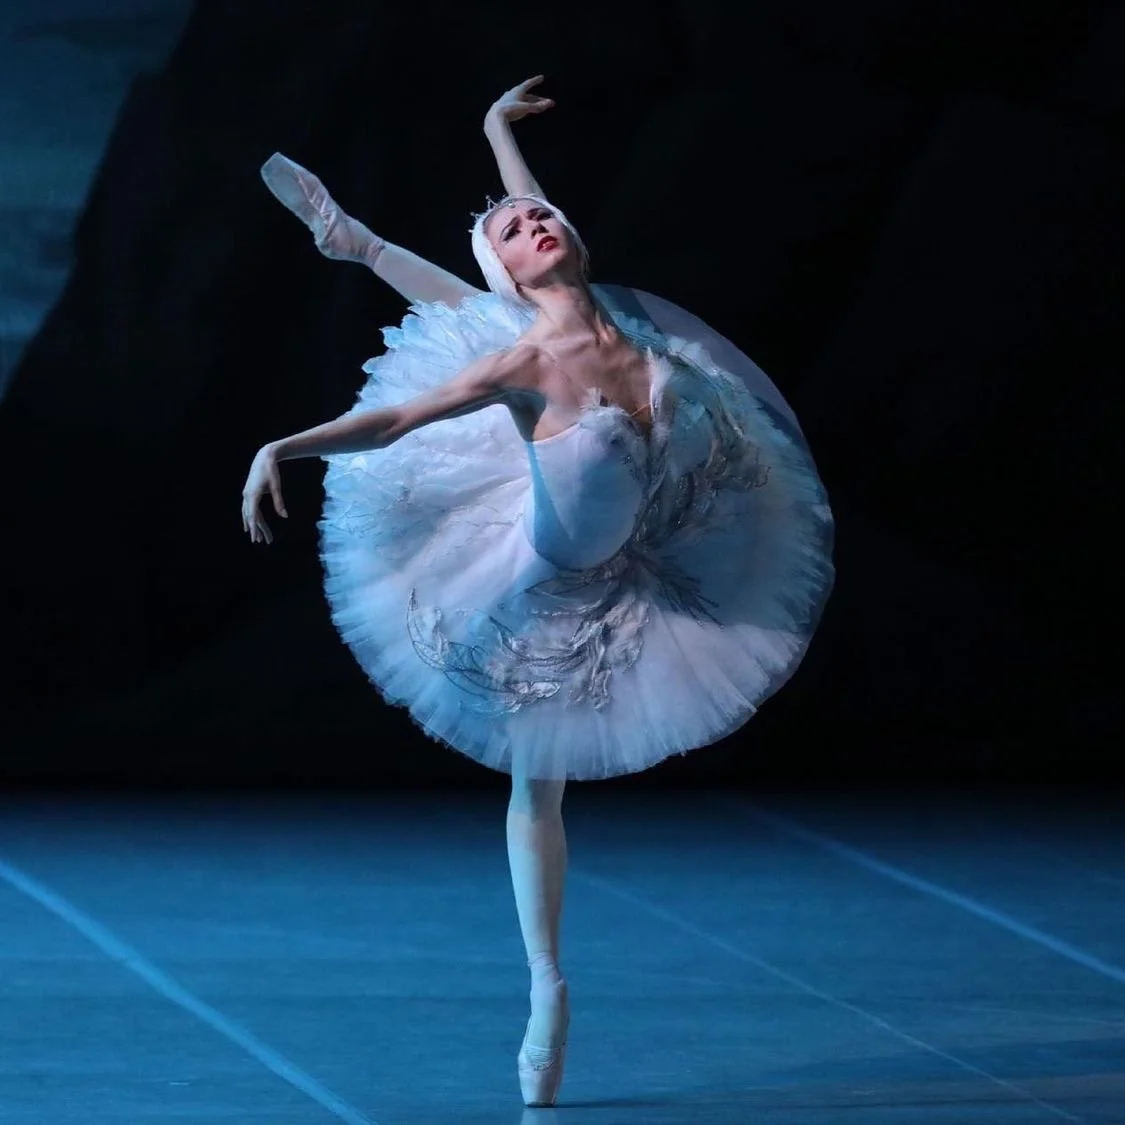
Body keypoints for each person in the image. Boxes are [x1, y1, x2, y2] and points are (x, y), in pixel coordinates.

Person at [243, 76, 835, 1107]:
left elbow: (534, 221)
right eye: (515, 232)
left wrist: (493, 132)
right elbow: (400, 419)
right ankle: (546, 985)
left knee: (496, 322)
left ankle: (356, 242)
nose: (535, 224)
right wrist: (282, 446)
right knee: (536, 786)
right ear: (508, 270)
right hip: (542, 580)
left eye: (543, 218)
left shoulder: (626, 333)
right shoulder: (523, 356)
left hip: (657, 538)